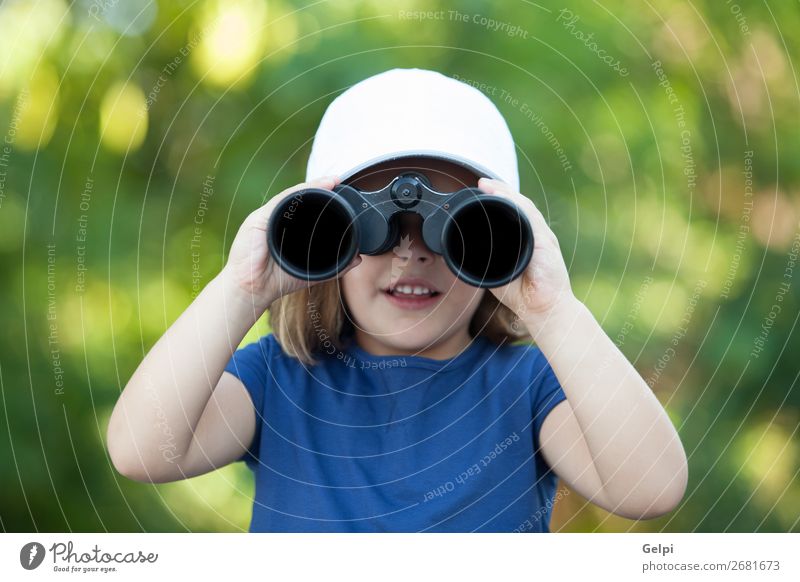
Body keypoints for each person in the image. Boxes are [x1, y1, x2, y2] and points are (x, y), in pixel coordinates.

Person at [107, 68, 688, 532]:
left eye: (452, 228)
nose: (411, 252)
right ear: (326, 233)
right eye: (373, 227)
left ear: (498, 242)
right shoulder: (278, 382)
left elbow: (652, 487)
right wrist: (243, 288)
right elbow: (141, 451)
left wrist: (552, 309)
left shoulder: (529, 388)